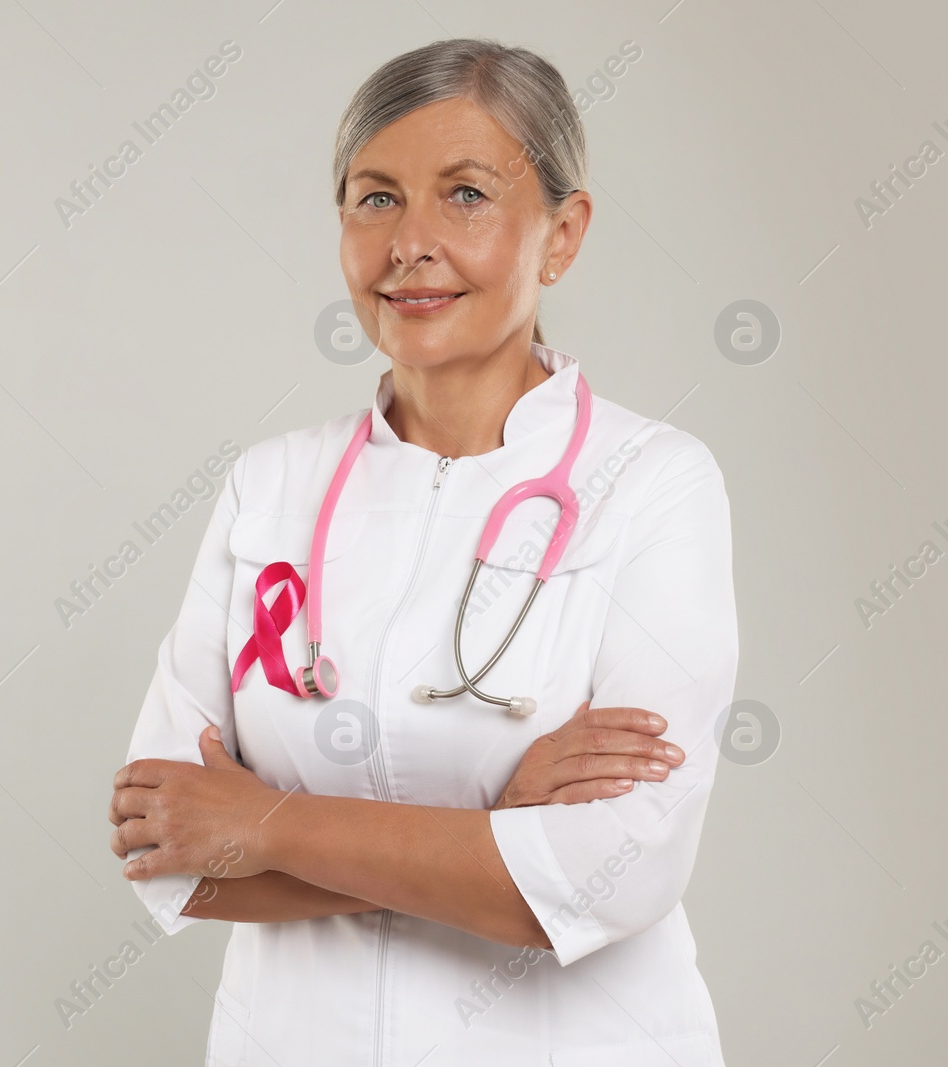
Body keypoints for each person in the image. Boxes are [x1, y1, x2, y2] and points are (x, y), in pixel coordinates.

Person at [107, 37, 738, 1066]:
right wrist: (494, 826)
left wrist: (263, 819)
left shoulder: (653, 483)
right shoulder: (268, 487)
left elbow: (609, 874)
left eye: (466, 194)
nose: (410, 242)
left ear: (561, 234)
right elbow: (166, 847)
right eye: (374, 198)